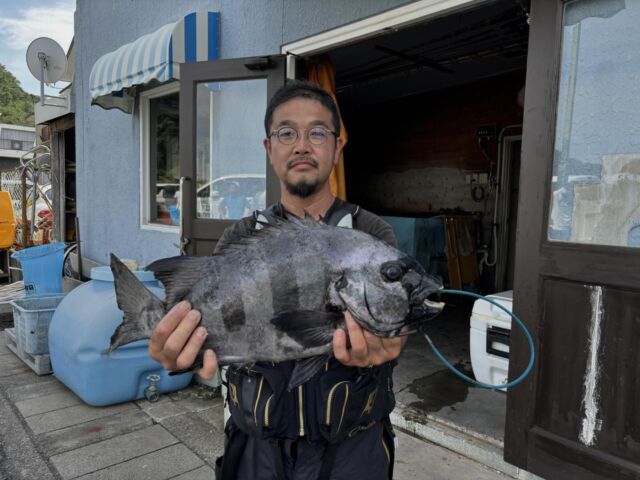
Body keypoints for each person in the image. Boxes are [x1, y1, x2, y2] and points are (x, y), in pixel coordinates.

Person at [148, 80, 406, 480]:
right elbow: (212, 335)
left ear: (338, 147)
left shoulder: (372, 236)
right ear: (270, 149)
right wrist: (180, 352)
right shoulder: (240, 238)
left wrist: (392, 341)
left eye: (317, 132)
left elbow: (395, 314)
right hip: (258, 449)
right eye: (287, 133)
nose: (302, 145)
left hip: (353, 448)